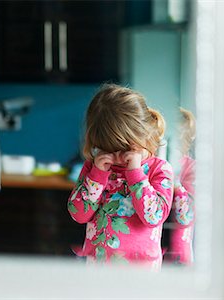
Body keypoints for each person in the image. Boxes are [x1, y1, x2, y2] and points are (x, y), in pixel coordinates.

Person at [67, 84, 173, 269]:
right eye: (107, 149)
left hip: (141, 271)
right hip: (97, 269)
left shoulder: (160, 169)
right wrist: (98, 175)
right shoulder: (94, 168)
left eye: (125, 149)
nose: (117, 158)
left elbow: (153, 217)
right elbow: (78, 215)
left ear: (144, 135)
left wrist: (135, 174)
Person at [166, 107, 196, 265]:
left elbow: (187, 215)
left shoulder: (192, 169)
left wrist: (174, 183)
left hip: (178, 252)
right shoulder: (154, 164)